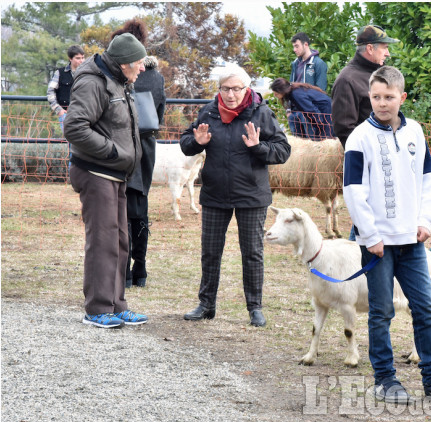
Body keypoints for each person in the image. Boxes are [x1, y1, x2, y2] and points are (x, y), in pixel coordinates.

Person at [343, 66, 431, 405]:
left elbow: (428, 179)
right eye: (375, 97)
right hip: (378, 246)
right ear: (369, 97)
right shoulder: (359, 138)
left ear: (402, 97)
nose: (382, 103)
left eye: (389, 97)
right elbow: (353, 191)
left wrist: (424, 220)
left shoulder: (414, 131)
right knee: (381, 311)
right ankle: (385, 379)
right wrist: (370, 236)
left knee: (425, 309)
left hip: (412, 243)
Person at [180, 66, 291, 327]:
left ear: (247, 89)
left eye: (237, 89)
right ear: (219, 89)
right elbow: (187, 142)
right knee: (210, 252)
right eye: (226, 88)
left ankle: (255, 308)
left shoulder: (261, 113)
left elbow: (283, 150)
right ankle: (206, 305)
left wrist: (259, 147)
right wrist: (198, 142)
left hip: (251, 195)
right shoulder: (208, 111)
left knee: (252, 252)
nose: (231, 95)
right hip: (215, 194)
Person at [64, 33, 149, 328]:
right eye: (138, 63)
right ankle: (98, 308)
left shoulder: (119, 80)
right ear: (124, 63)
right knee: (102, 241)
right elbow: (74, 127)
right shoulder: (93, 81)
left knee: (120, 240)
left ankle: (116, 304)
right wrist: (112, 151)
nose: (142, 68)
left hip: (116, 173)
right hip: (97, 171)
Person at [111, 19, 167, 289]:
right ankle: (140, 268)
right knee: (139, 206)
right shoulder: (156, 76)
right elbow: (159, 115)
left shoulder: (116, 76)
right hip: (146, 146)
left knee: (121, 207)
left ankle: (126, 271)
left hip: (121, 146)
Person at [331, 25, 398, 147]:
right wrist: (367, 156)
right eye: (385, 48)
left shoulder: (382, 72)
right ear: (370, 48)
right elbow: (345, 129)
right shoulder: (347, 80)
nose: (388, 54)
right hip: (369, 156)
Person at [270, 77, 334, 140]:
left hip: (326, 111)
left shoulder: (296, 94)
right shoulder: (294, 90)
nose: (275, 95)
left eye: (276, 93)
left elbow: (312, 112)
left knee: (325, 138)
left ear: (283, 91)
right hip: (323, 111)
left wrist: (320, 127)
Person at [47, 45, 85, 130]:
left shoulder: (88, 73)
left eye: (82, 58)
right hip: (66, 114)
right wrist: (58, 109)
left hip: (85, 115)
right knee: (71, 140)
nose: (81, 61)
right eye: (78, 58)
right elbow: (50, 91)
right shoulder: (60, 73)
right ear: (70, 58)